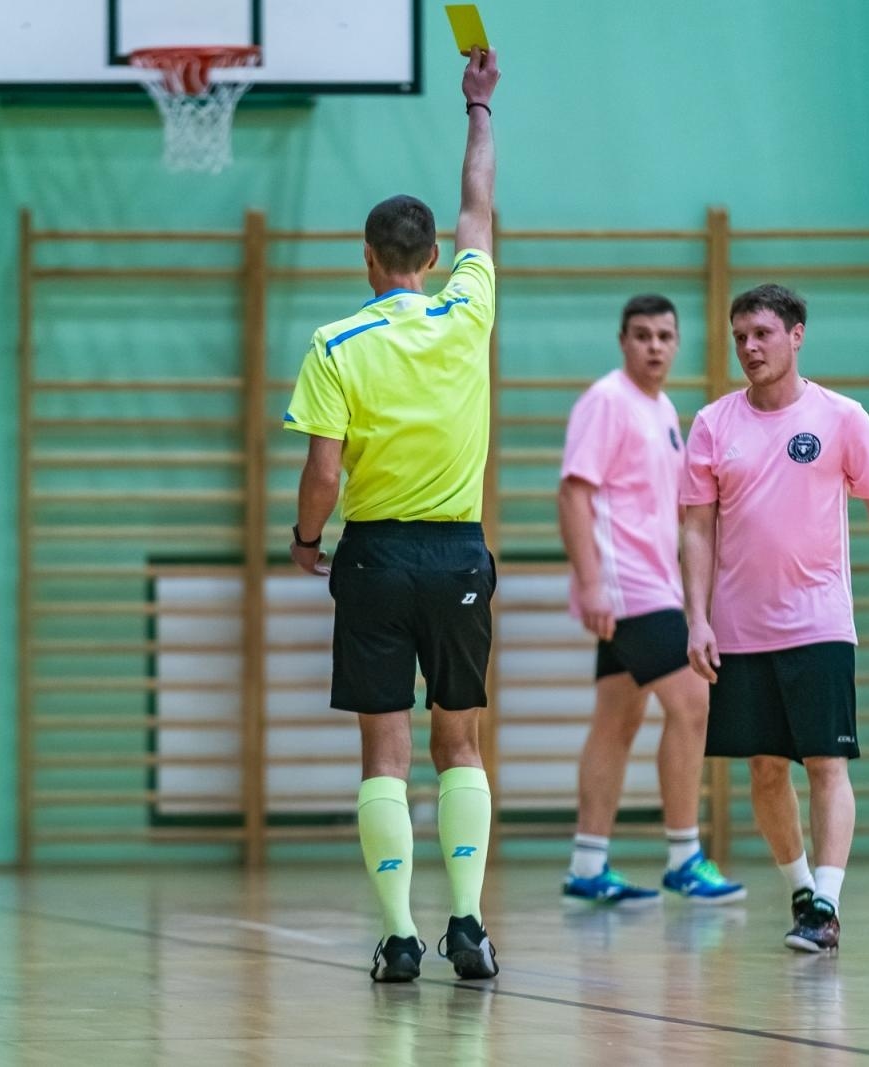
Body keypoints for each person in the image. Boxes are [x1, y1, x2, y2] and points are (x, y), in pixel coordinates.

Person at [283, 46, 500, 983]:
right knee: (461, 741)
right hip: (459, 556)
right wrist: (478, 111)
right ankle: (469, 926)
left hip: (372, 558)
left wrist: (303, 540)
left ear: (368, 260)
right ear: (436, 259)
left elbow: (322, 473)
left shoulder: (335, 342)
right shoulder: (469, 309)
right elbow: (480, 207)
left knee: (388, 751)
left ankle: (401, 937)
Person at [680, 284, 869, 953]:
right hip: (740, 629)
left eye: (763, 334)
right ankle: (801, 887)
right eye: (740, 335)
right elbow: (694, 530)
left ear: (797, 335)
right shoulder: (713, 424)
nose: (749, 347)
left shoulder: (842, 418)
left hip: (820, 623)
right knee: (766, 769)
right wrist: (697, 618)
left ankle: (827, 902)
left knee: (827, 762)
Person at [558, 294, 744, 905]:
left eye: (666, 336)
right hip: (628, 586)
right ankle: (685, 856)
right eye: (642, 335)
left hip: (656, 582)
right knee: (693, 703)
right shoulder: (606, 401)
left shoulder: (662, 408)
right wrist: (590, 584)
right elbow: (574, 494)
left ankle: (588, 865)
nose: (655, 346)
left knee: (619, 716)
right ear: (622, 341)